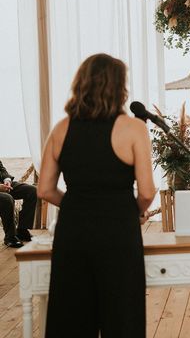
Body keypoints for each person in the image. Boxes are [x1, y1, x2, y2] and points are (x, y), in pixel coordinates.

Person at [38, 53, 156, 337]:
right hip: (118, 231)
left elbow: (44, 189)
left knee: (72, 318)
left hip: (73, 232)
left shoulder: (61, 128)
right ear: (119, 87)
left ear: (81, 84)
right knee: (122, 317)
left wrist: (79, 206)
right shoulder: (133, 128)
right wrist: (135, 211)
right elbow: (148, 191)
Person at [0, 159, 36, 248]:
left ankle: (22, 229)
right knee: (7, 199)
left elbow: (1, 169)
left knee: (32, 191)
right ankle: (10, 237)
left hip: (3, 184)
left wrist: (7, 180)